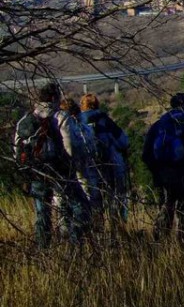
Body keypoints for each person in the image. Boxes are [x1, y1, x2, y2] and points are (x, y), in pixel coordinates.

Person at [14, 82, 86, 247]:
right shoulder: (60, 116)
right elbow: (70, 147)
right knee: (78, 206)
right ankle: (75, 245)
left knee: (42, 212)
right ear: (54, 98)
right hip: (60, 171)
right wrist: (73, 168)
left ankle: (43, 248)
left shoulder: (25, 119)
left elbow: (17, 148)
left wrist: (26, 171)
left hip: (36, 171)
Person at [142, 92, 184, 240]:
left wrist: (158, 171)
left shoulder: (159, 125)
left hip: (166, 175)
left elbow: (146, 154)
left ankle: (159, 242)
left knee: (167, 206)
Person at [79, 93, 131, 227]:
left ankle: (98, 230)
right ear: (97, 104)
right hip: (111, 165)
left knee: (95, 200)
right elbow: (123, 142)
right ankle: (118, 227)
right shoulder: (104, 120)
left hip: (89, 168)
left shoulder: (78, 122)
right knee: (116, 198)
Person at [60, 97, 103, 232]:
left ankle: (69, 235)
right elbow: (94, 151)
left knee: (65, 206)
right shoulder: (86, 129)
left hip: (72, 173)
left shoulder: (64, 130)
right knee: (91, 204)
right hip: (89, 172)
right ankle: (93, 232)